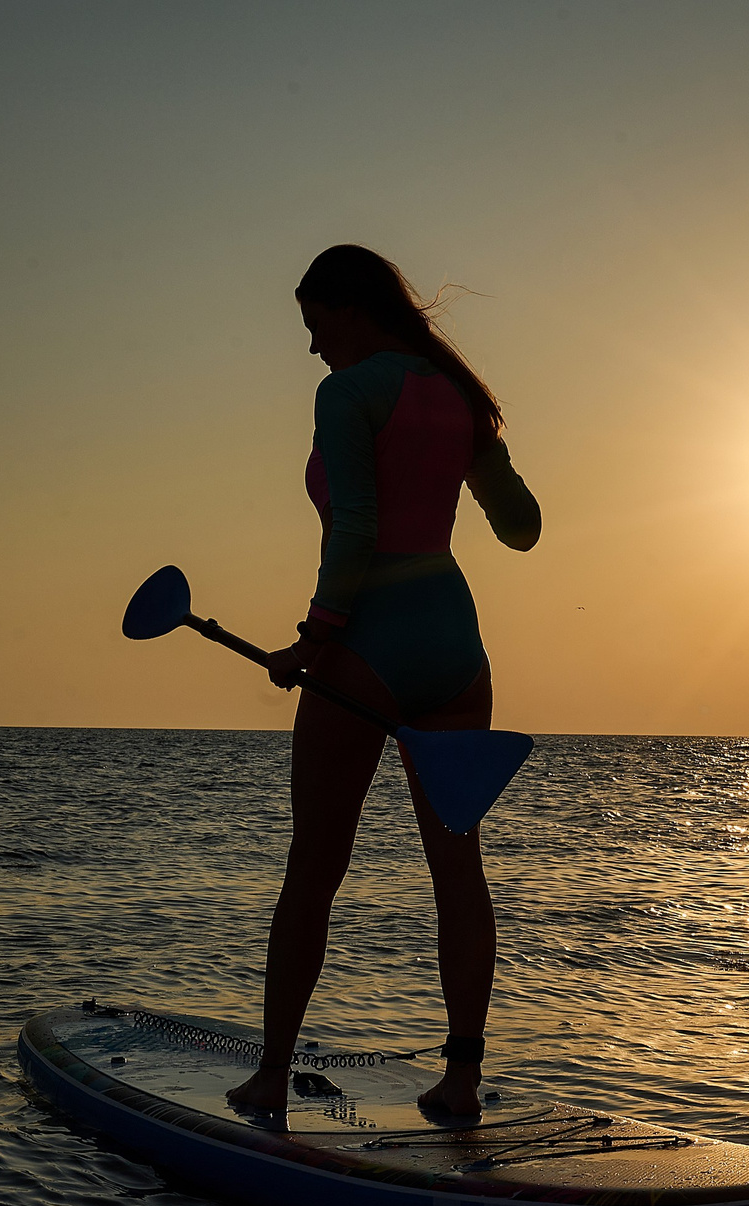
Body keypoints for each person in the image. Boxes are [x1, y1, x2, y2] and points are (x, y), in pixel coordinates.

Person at [224, 245, 541, 1120]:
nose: (313, 348)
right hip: (454, 639)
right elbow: (522, 529)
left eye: (315, 325)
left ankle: (268, 1077)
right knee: (458, 869)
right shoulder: (460, 396)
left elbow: (356, 526)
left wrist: (314, 643)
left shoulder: (349, 393)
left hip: (367, 636)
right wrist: (483, 460)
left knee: (314, 869)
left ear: (350, 309)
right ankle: (462, 1082)